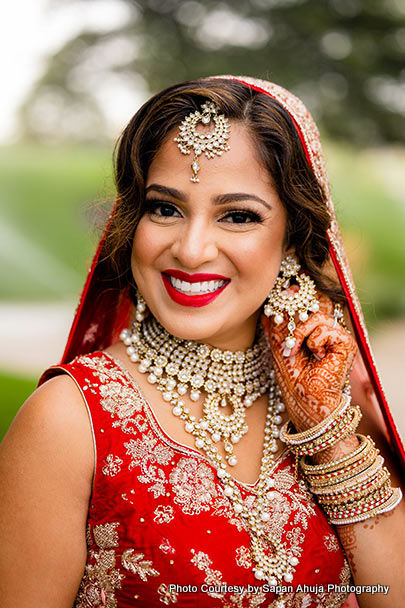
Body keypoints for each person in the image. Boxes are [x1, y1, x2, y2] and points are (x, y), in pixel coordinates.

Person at [0, 76, 404, 608]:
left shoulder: (332, 407)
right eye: (165, 208)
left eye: (238, 216)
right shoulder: (69, 422)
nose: (191, 251)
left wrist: (327, 435)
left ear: (293, 238)